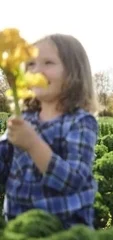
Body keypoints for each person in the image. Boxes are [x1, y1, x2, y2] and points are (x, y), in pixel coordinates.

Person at [0, 33, 99, 229]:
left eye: (48, 63)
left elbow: (73, 181)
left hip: (63, 227)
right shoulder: (25, 118)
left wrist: (33, 144)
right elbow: (5, 165)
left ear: (74, 73)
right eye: (30, 64)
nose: (37, 71)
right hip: (19, 224)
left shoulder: (80, 122)